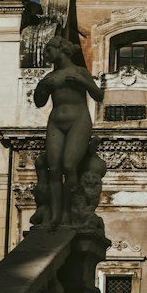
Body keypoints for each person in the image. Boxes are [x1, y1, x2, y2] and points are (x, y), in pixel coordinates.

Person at [33, 36, 104, 229]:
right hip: (56, 121)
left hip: (78, 121)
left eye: (49, 50)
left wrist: (83, 81)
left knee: (69, 165)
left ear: (61, 49)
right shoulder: (49, 78)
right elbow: (39, 102)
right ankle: (55, 216)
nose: (46, 54)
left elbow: (98, 95)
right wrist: (41, 87)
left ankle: (68, 212)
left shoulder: (79, 71)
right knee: (54, 168)